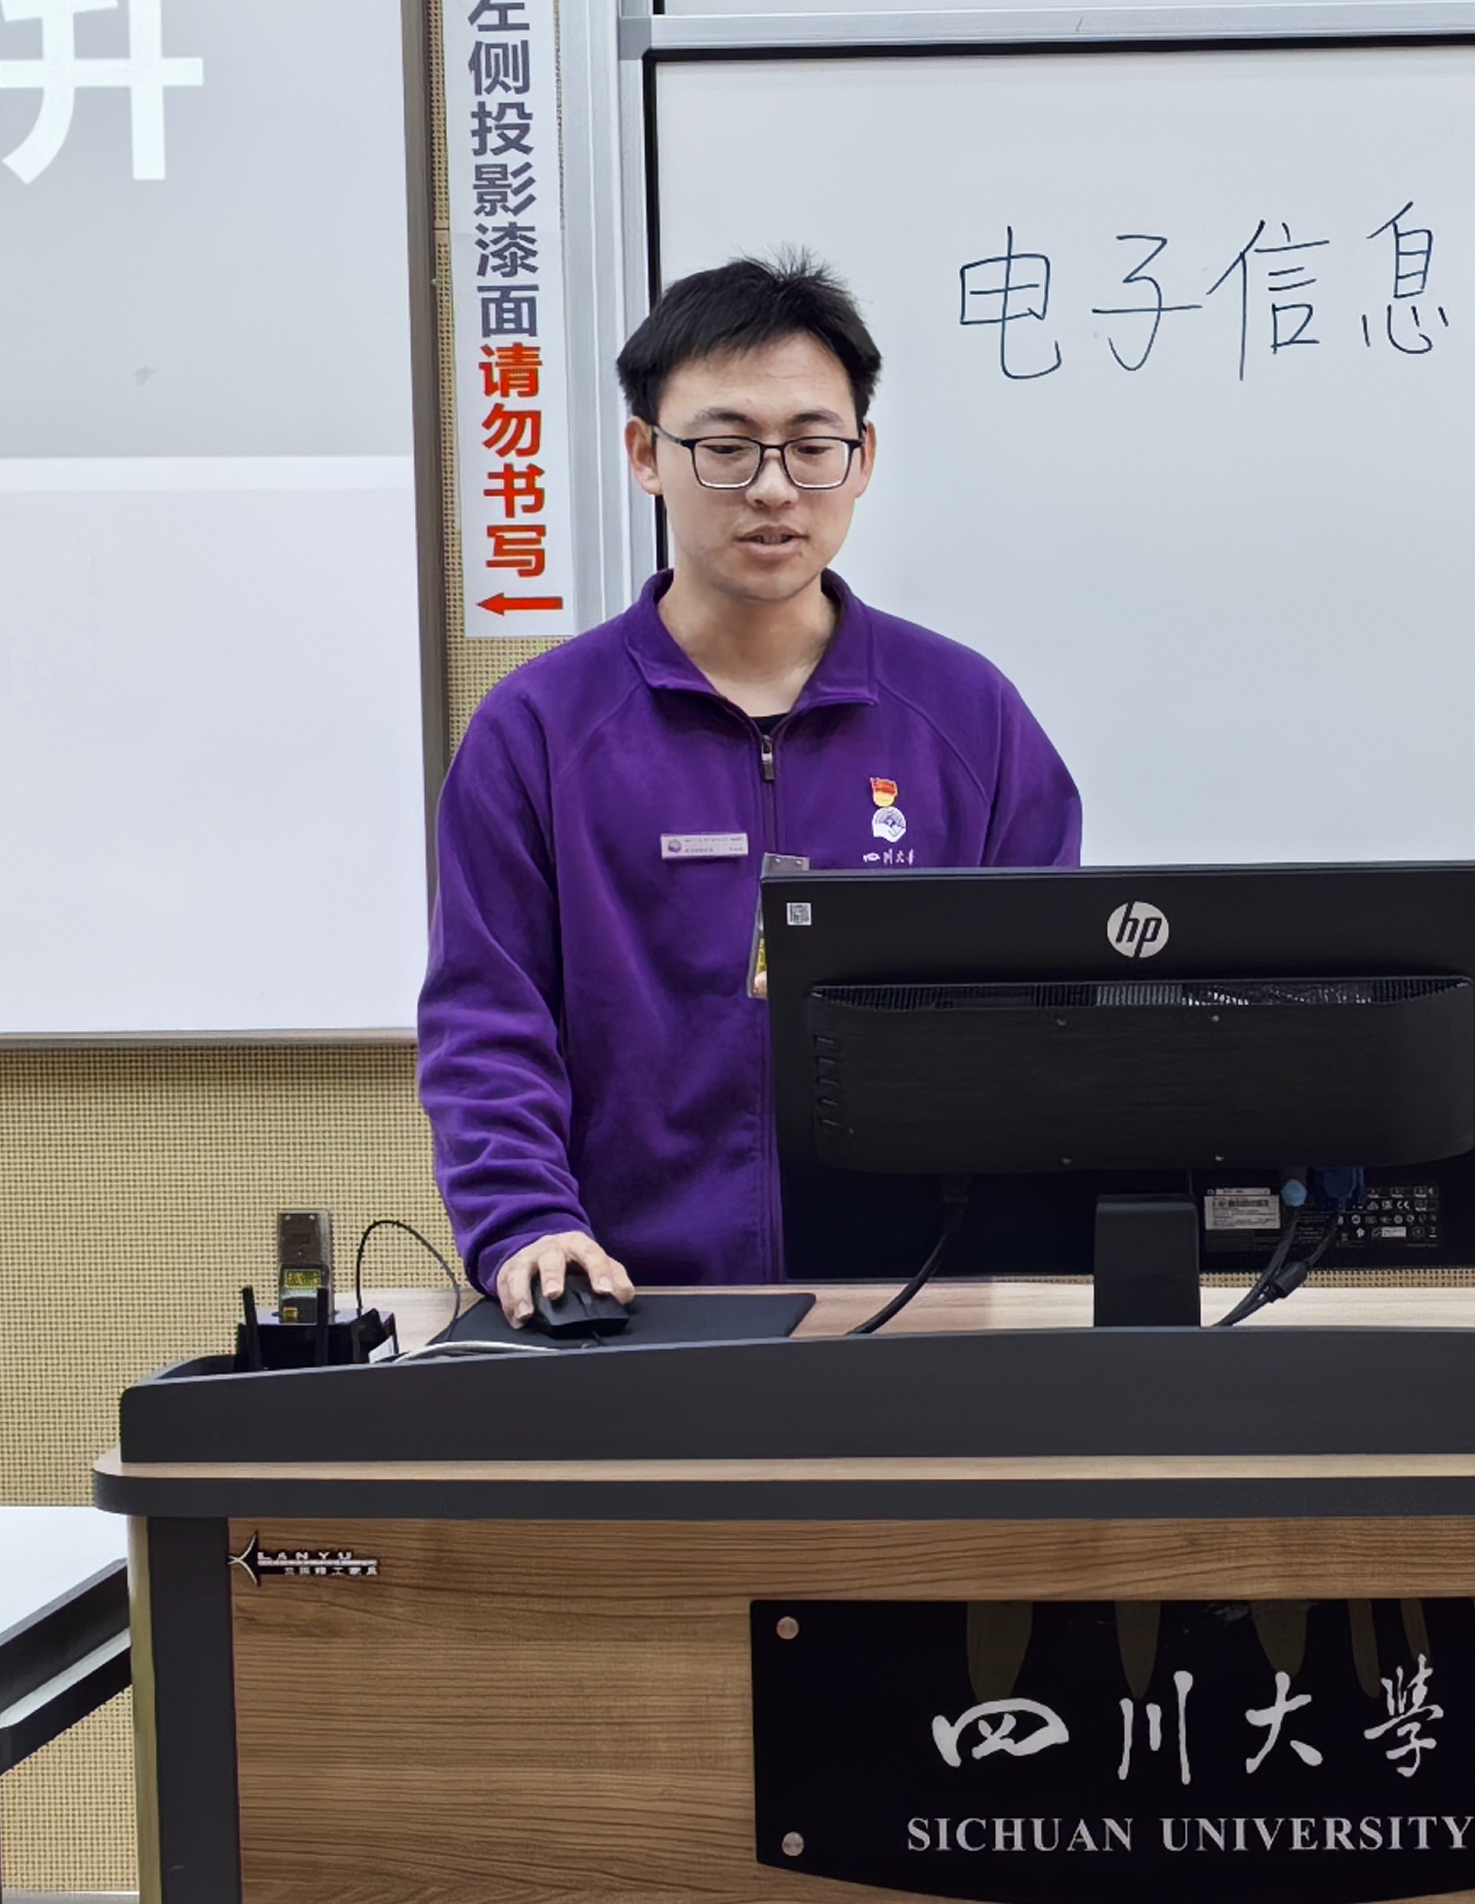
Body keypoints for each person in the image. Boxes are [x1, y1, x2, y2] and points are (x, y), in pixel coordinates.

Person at [418, 254, 1082, 1314]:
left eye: (812, 447)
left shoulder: (967, 718)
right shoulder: (538, 732)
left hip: (917, 1303)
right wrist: (529, 1224)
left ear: (862, 459)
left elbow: (1049, 1012)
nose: (774, 488)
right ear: (647, 453)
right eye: (727, 448)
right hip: (629, 1306)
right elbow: (488, 1023)